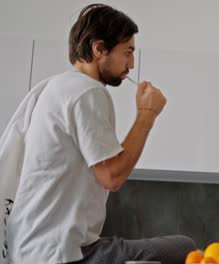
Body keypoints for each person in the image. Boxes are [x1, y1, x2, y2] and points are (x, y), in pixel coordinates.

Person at [5, 4, 195, 264]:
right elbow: (112, 176)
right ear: (99, 49)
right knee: (185, 248)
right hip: (58, 253)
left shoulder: (58, 88)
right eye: (127, 52)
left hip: (29, 249)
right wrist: (147, 114)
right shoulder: (88, 92)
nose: (131, 63)